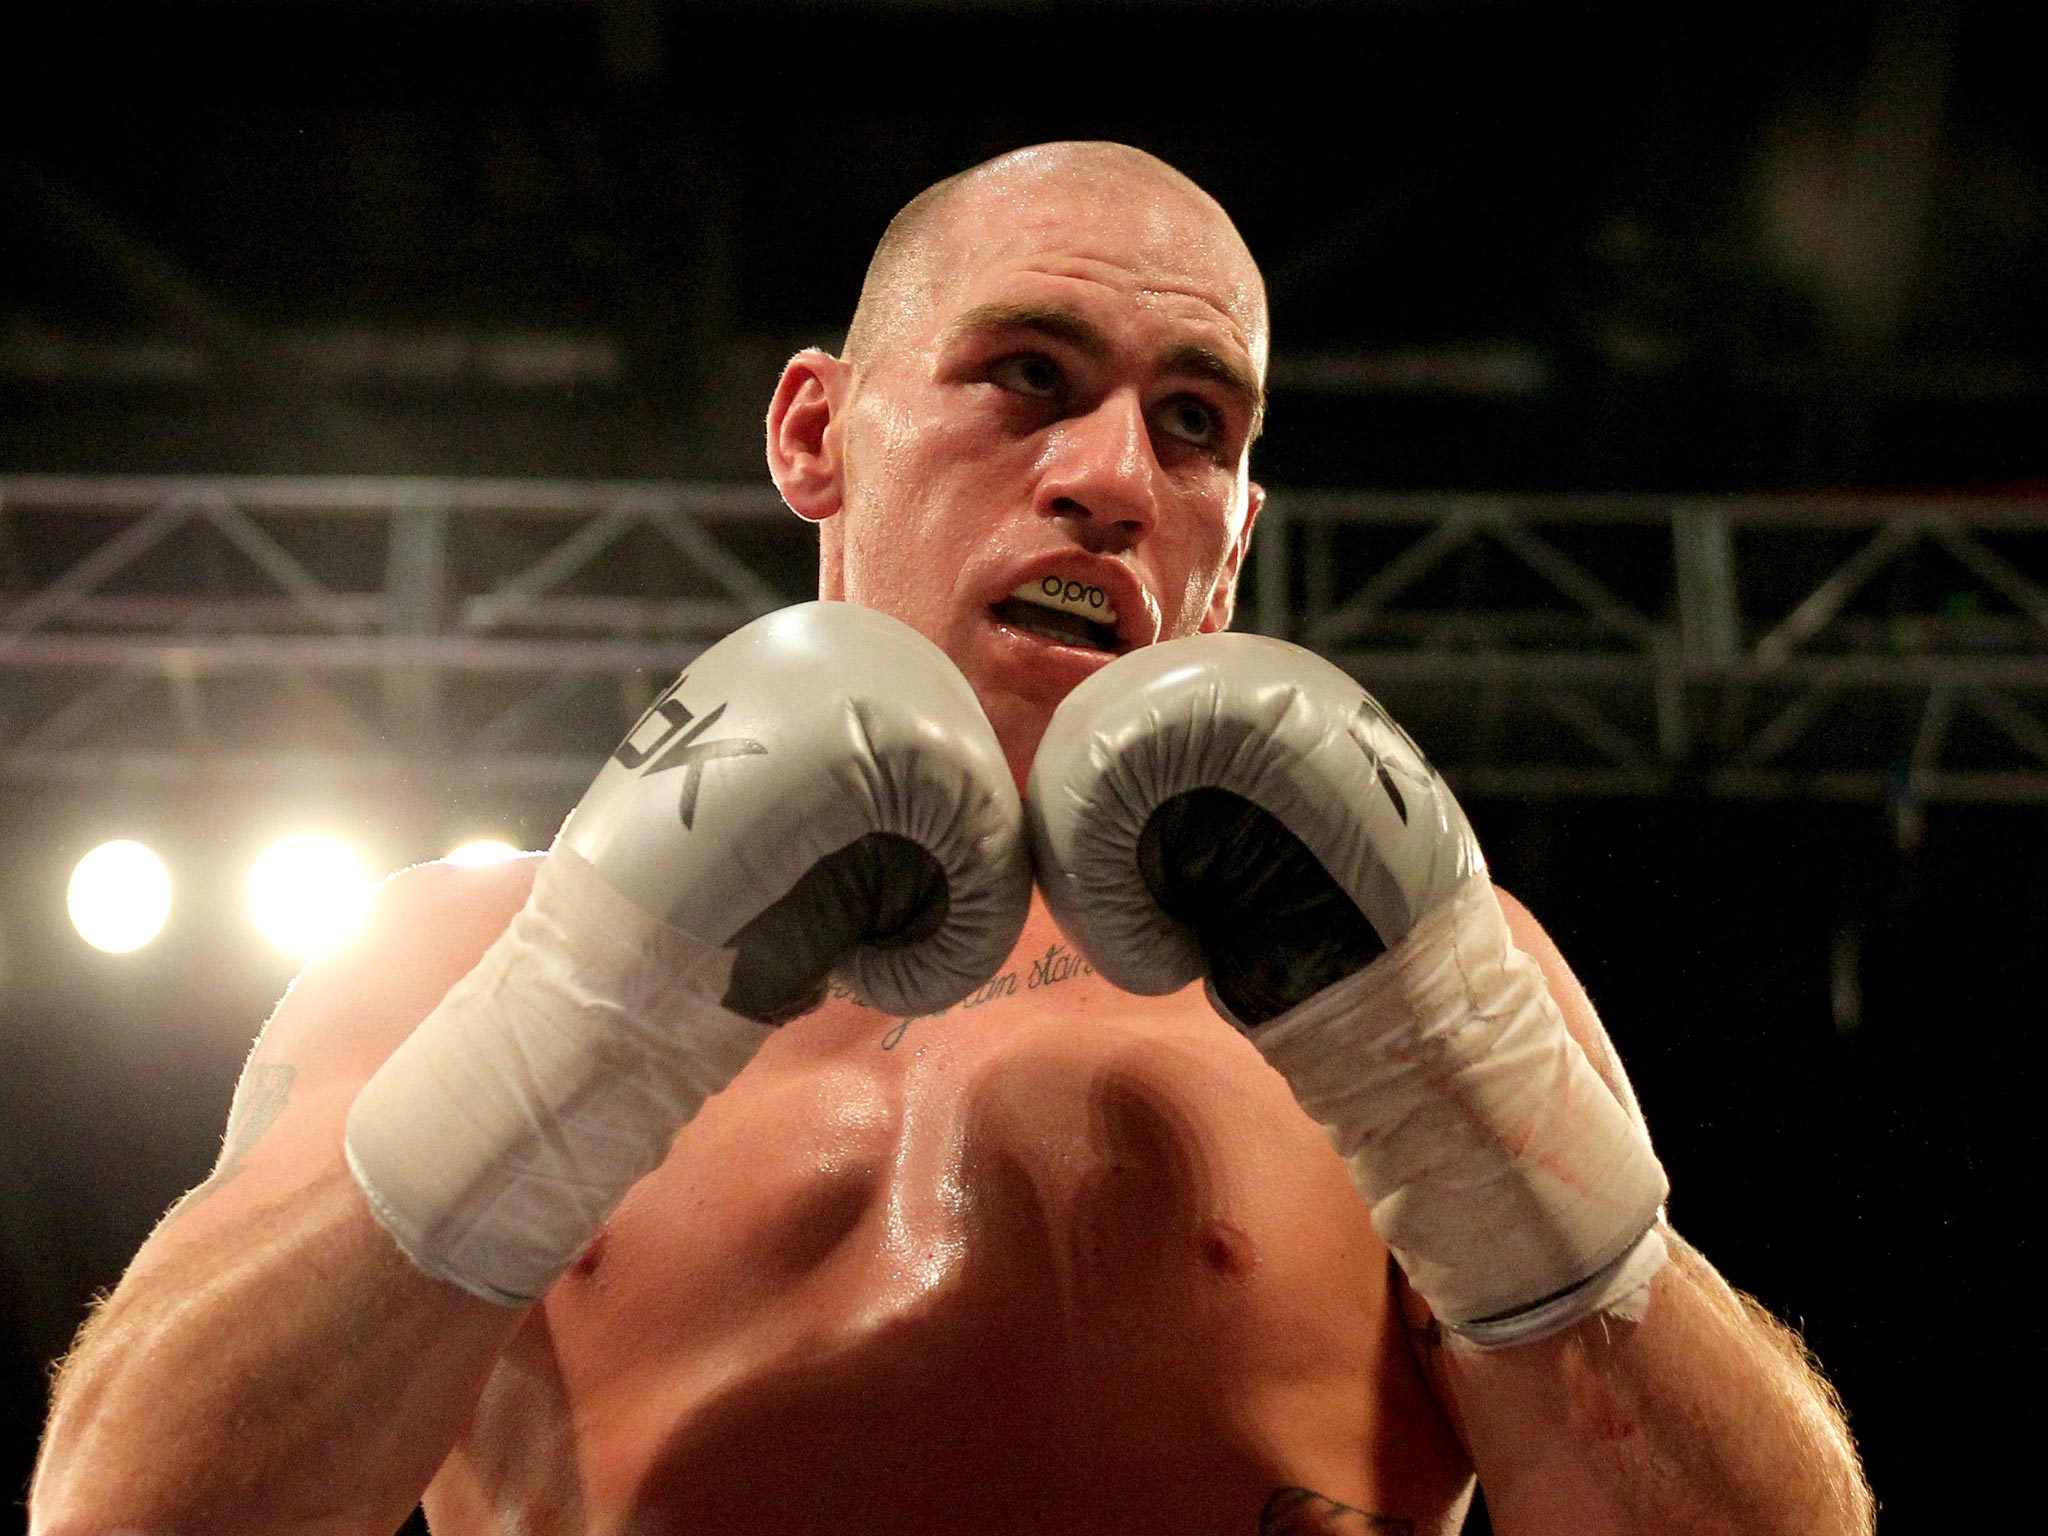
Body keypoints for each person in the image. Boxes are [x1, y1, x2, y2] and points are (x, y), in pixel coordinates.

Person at [30, 142, 1872, 1536]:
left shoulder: (1421, 972)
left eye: (1195, 422)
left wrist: (1451, 1078)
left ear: (1236, 531)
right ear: (817, 431)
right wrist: (580, 1018)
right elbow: (127, 1508)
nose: (1111, 476)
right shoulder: (458, 952)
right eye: (1027, 376)